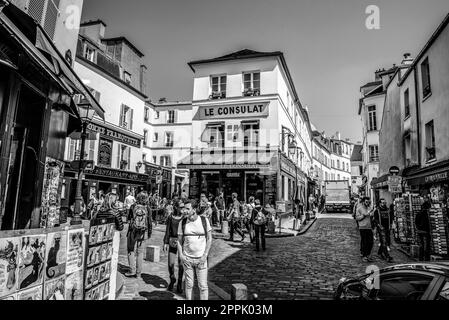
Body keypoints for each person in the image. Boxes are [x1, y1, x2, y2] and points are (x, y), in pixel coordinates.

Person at [177, 199, 212, 300]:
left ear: (194, 210)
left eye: (187, 208)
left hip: (201, 259)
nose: (185, 210)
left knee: (203, 286)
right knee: (189, 284)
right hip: (187, 259)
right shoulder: (182, 222)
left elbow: (209, 239)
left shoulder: (204, 221)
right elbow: (179, 241)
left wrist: (205, 256)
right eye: (184, 208)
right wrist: (181, 256)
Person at [126, 191, 152, 277]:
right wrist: (149, 233)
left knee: (130, 250)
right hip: (143, 232)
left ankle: (131, 270)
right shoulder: (147, 208)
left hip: (132, 231)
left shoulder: (133, 206)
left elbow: (129, 218)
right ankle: (138, 273)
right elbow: (149, 222)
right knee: (140, 252)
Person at [163, 202, 185, 293]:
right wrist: (165, 242)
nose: (182, 209)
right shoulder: (171, 217)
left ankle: (179, 283)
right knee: (170, 263)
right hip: (172, 241)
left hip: (182, 242)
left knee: (181, 264)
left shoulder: (184, 218)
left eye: (183, 207)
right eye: (181, 207)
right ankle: (172, 278)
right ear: (175, 207)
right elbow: (168, 230)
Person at [355, 197, 374, 262]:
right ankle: (364, 255)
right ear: (363, 202)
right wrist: (364, 215)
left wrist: (372, 214)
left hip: (369, 227)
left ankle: (368, 254)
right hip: (362, 227)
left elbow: (371, 216)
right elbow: (357, 218)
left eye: (368, 202)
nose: (367, 203)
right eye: (366, 202)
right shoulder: (359, 208)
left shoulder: (369, 208)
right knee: (364, 241)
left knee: (371, 242)